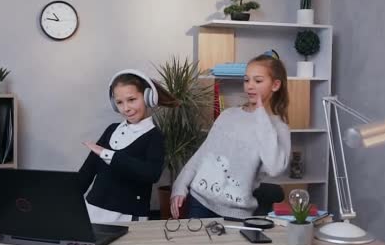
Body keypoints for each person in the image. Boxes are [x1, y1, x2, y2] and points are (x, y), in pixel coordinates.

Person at [170, 54, 291, 220]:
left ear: (275, 85)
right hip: (200, 201)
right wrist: (180, 186)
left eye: (258, 81)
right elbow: (203, 154)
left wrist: (261, 115)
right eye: (246, 80)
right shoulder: (228, 115)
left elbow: (275, 168)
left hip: (237, 211)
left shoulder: (278, 128)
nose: (250, 86)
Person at [79, 69, 178, 223]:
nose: (126, 108)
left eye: (131, 99)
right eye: (119, 102)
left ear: (147, 97)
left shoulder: (154, 136)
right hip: (92, 210)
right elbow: (87, 173)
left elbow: (151, 174)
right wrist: (65, 200)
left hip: (127, 216)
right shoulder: (111, 130)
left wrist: (109, 155)